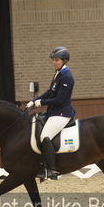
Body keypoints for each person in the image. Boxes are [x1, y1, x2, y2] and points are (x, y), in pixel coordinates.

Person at [26, 46, 76, 180]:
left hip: (62, 113)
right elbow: (50, 92)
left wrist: (41, 103)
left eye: (57, 60)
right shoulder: (58, 74)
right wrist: (34, 101)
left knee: (45, 136)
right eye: (53, 60)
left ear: (64, 61)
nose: (54, 62)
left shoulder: (67, 76)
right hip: (53, 112)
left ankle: (53, 170)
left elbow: (59, 100)